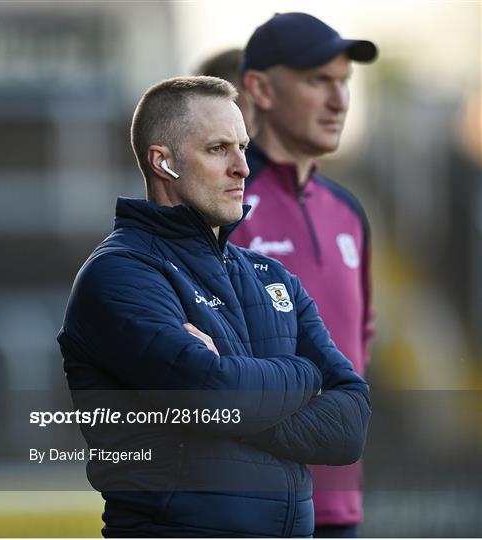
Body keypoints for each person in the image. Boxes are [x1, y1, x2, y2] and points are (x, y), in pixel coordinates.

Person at [57, 76, 371, 538]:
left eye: (243, 147)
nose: (243, 167)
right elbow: (215, 397)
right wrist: (305, 375)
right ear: (164, 163)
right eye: (219, 149)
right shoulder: (121, 275)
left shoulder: (273, 277)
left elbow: (351, 427)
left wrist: (241, 392)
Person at [227, 12, 378, 538]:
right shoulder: (223, 208)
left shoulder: (348, 212)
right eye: (319, 81)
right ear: (260, 89)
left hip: (339, 510)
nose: (339, 101)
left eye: (344, 83)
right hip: (252, 510)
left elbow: (359, 348)